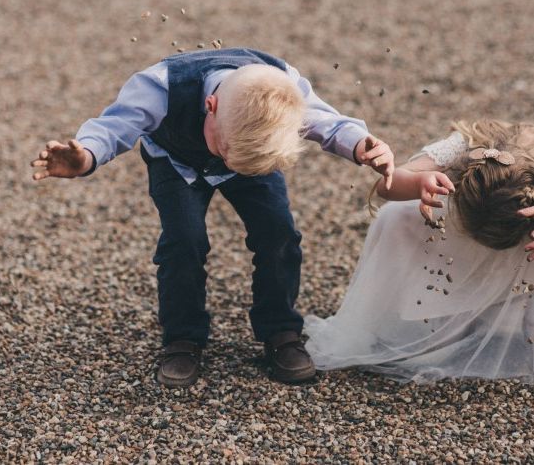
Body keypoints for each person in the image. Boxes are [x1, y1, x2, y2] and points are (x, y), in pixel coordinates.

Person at [31, 47, 394, 387]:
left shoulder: (282, 89)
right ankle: (182, 338)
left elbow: (329, 123)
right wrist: (86, 157)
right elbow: (114, 126)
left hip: (255, 161)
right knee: (183, 242)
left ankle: (281, 331)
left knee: (278, 235)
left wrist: (362, 145)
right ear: (211, 105)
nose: (224, 161)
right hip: (176, 162)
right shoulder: (160, 87)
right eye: (223, 149)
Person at [306, 120, 534, 383]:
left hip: (521, 245)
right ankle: (449, 316)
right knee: (397, 215)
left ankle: (510, 321)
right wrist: (417, 183)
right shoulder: (463, 147)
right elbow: (385, 186)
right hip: (455, 241)